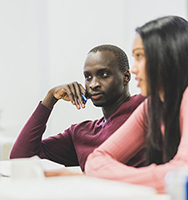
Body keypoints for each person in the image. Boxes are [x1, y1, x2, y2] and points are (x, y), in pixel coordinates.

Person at [85, 16, 188, 193]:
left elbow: (182, 174)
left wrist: (113, 176)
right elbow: (96, 160)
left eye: (140, 56)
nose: (133, 69)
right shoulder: (152, 107)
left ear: (167, 56)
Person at [10, 44, 145, 171]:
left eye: (104, 74)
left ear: (126, 77)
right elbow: (20, 159)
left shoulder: (144, 106)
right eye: (88, 77)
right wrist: (50, 98)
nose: (93, 84)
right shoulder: (81, 133)